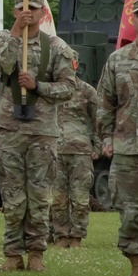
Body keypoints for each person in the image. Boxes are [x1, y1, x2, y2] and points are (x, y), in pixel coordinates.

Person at [0, 0, 75, 272]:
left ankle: (36, 252)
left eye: (34, 8)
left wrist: (39, 86)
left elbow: (69, 88)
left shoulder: (57, 47)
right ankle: (13, 254)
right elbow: (3, 64)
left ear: (42, 12)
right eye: (23, 8)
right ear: (14, 11)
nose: (29, 12)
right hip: (9, 130)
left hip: (42, 132)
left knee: (39, 196)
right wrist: (15, 33)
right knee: (12, 196)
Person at [97, 0, 138, 276]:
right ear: (133, 21)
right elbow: (105, 102)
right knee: (130, 210)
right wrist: (105, 137)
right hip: (127, 146)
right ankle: (137, 266)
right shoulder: (118, 60)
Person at [51, 55, 99, 249]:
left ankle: (77, 237)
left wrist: (98, 146)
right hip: (54, 151)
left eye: (70, 63)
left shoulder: (87, 91)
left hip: (80, 152)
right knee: (57, 198)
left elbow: (99, 120)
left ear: (76, 65)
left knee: (80, 198)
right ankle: (61, 236)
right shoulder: (51, 90)